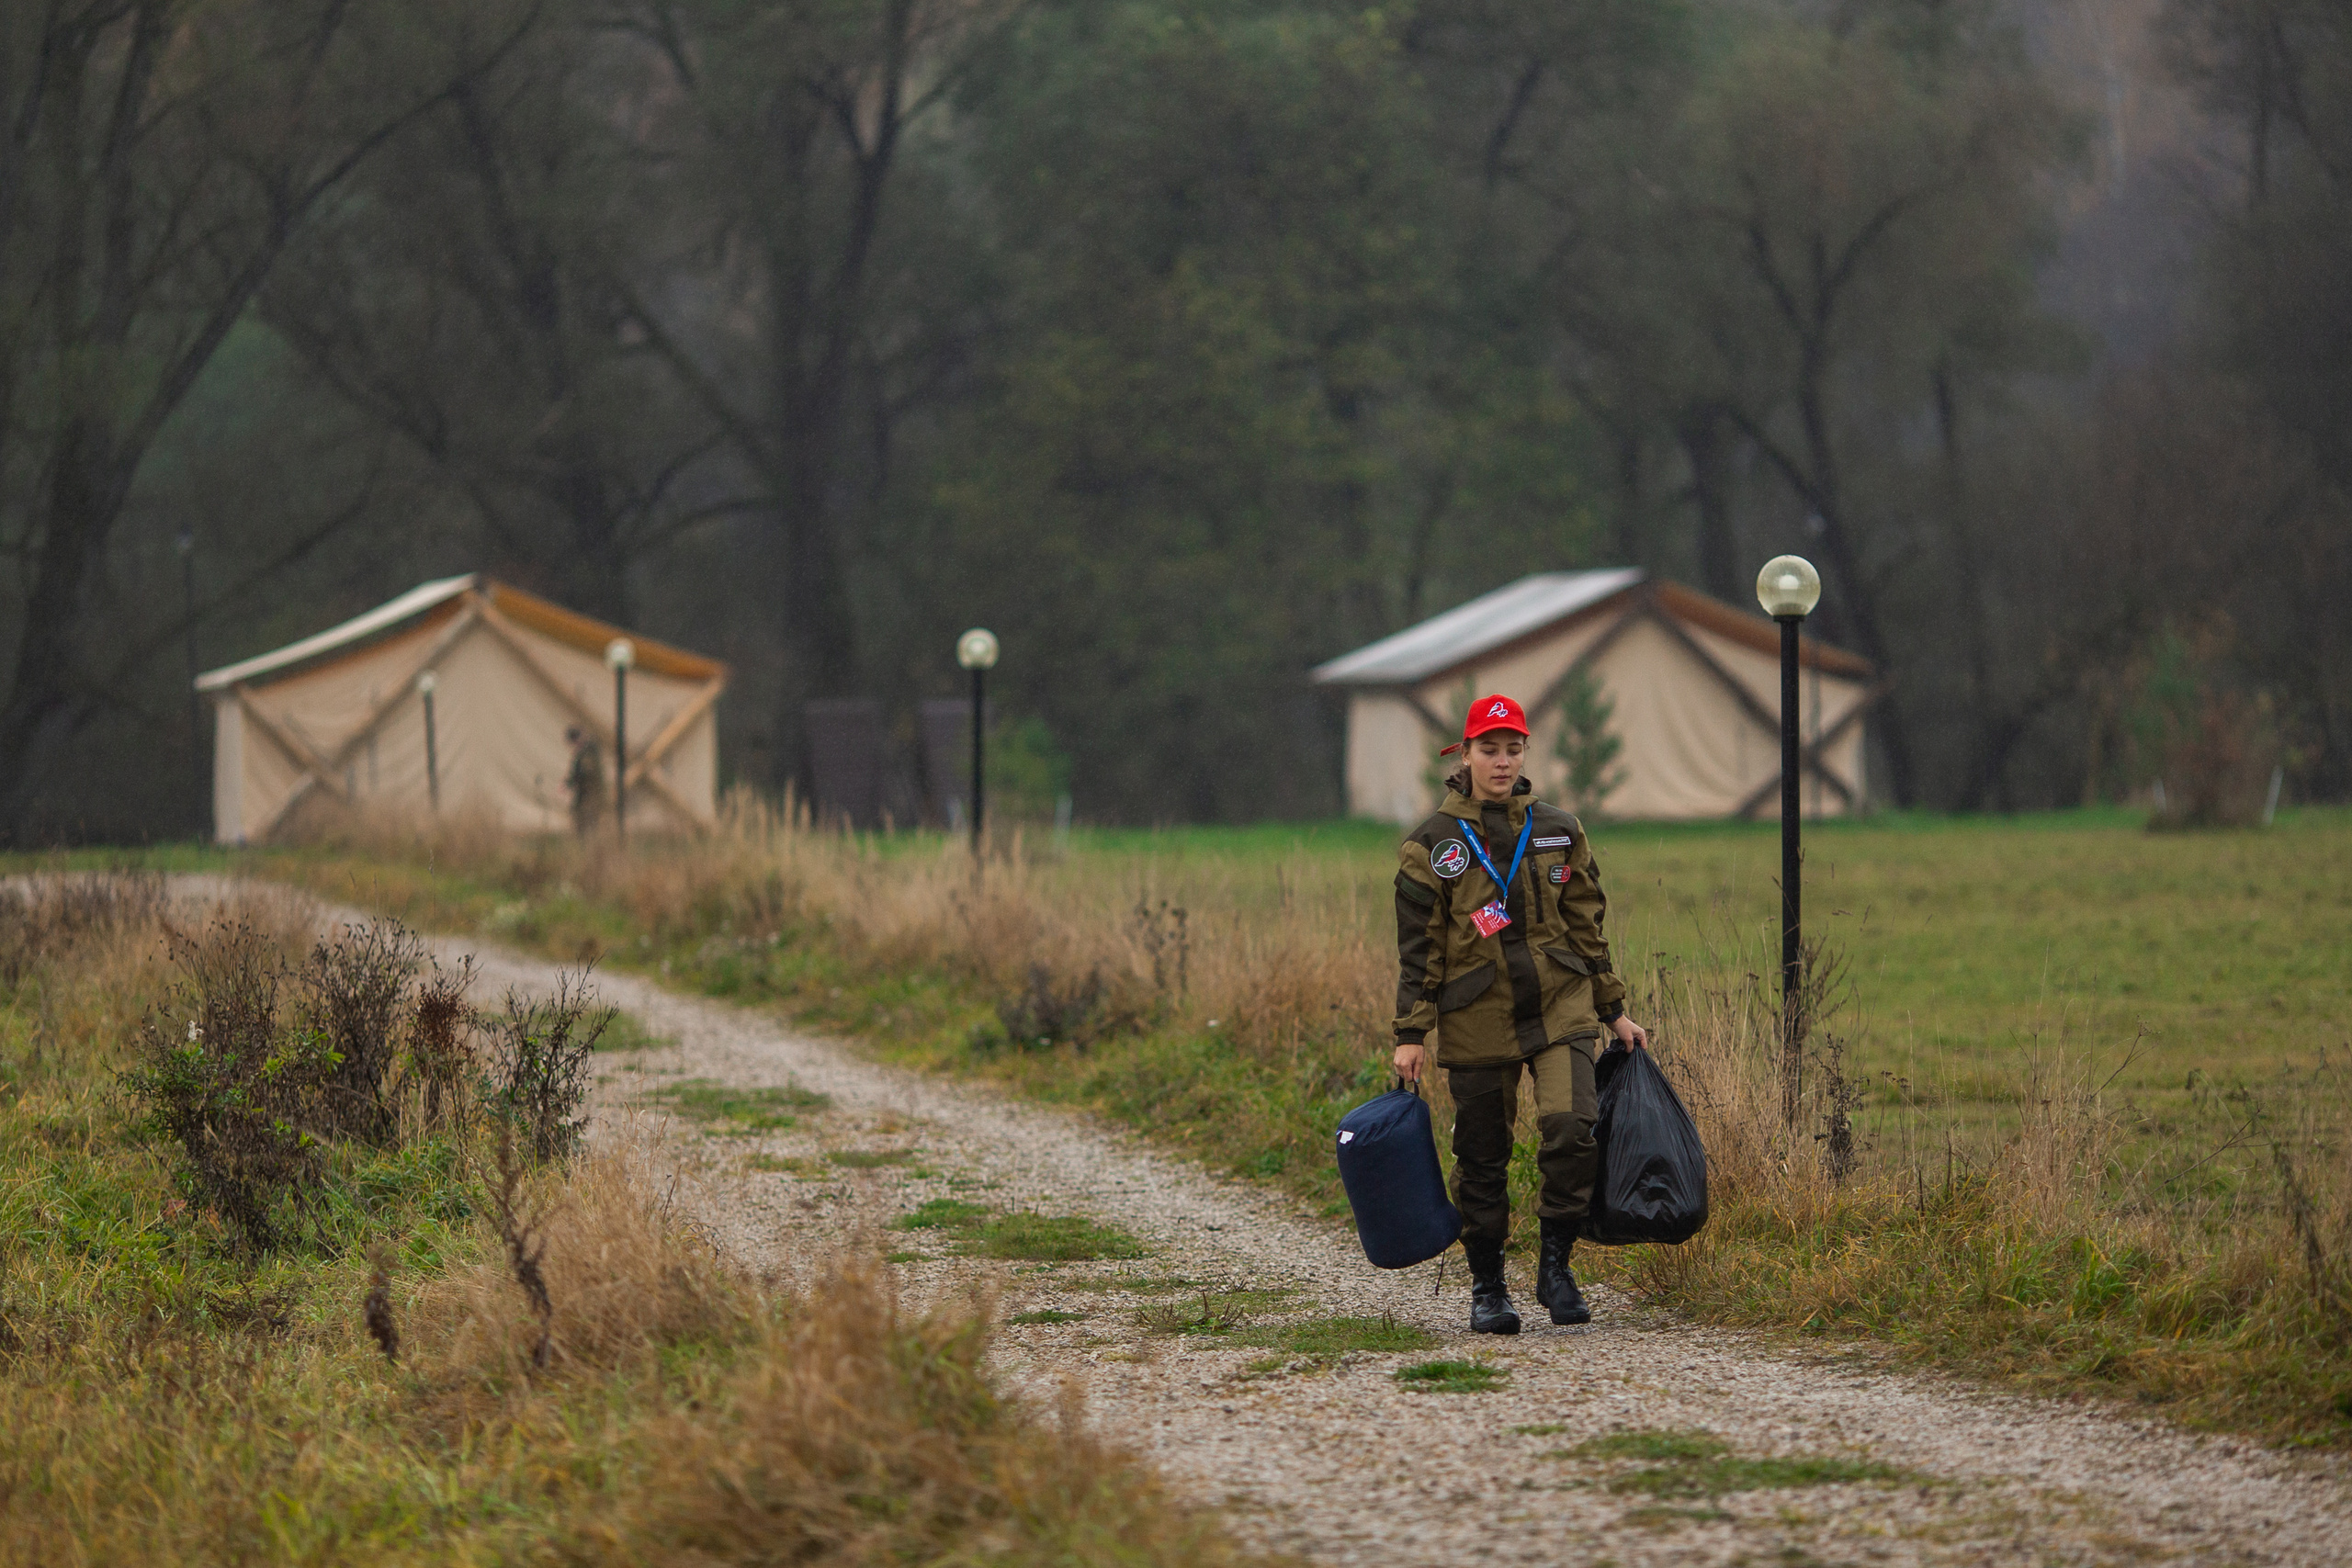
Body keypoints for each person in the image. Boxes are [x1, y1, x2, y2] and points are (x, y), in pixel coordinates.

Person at [1391, 693, 1647, 1333]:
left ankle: (1556, 1264)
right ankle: (1487, 1285)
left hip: (1560, 1006)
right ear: (1466, 753)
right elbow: (1418, 948)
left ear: (1525, 752)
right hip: (1477, 1014)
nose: (1502, 761)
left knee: (1571, 1127)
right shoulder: (1432, 843)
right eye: (1490, 748)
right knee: (1483, 1154)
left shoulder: (1560, 828)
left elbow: (1588, 926)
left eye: (1513, 748)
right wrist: (1411, 1032)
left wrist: (1614, 1011)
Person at [564, 725, 605, 840]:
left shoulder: (589, 752)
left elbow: (585, 773)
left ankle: (590, 845)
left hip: (590, 794)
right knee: (582, 822)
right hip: (585, 794)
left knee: (588, 823)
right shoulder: (584, 753)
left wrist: (570, 783)